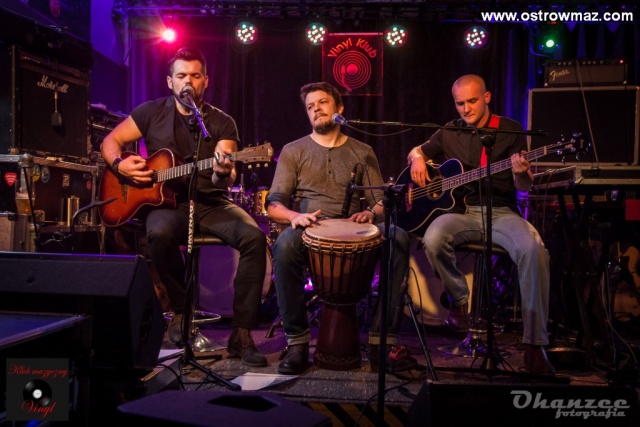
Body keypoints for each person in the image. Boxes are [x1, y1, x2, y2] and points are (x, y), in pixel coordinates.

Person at [100, 47, 268, 367]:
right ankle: (180, 310)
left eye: (194, 75)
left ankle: (242, 333)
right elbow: (110, 142)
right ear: (170, 81)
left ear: (206, 80)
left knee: (254, 237)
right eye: (181, 75)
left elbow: (226, 172)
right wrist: (120, 165)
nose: (188, 81)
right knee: (159, 233)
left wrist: (223, 171)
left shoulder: (221, 122)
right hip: (168, 204)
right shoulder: (150, 112)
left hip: (210, 202)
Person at [406, 74, 555, 375]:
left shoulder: (510, 130)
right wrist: (417, 159)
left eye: (472, 101)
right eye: (460, 103)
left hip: (502, 213)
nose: (466, 109)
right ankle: (459, 301)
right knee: (433, 238)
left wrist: (521, 172)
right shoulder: (449, 131)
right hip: (463, 213)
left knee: (534, 250)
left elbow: (524, 186)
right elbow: (416, 150)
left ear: (487, 98)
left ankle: (534, 346)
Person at [265, 82, 411, 375]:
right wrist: (294, 216)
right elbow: (273, 204)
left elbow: (379, 203)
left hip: (353, 229)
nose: (316, 109)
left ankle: (382, 342)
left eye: (322, 102)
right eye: (310, 106)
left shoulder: (363, 150)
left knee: (398, 237)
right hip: (309, 228)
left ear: (339, 108)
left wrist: (370, 212)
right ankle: (297, 343)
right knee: (285, 245)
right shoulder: (293, 151)